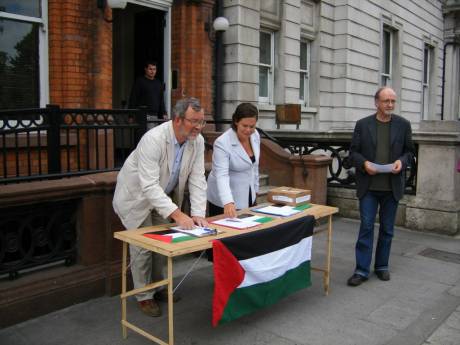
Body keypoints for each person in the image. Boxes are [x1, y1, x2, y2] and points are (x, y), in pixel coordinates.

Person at [113, 97, 208, 316]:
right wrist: (177, 214)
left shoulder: (197, 141)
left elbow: (197, 178)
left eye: (201, 122)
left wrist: (198, 214)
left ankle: (158, 288)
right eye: (194, 121)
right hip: (136, 198)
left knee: (161, 246)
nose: (198, 127)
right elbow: (148, 185)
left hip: (161, 198)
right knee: (143, 248)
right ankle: (144, 296)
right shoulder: (153, 139)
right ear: (177, 119)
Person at [347, 87, 415, 287]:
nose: (390, 105)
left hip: (391, 187)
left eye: (393, 101)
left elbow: (409, 153)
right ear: (376, 102)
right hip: (369, 187)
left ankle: (382, 266)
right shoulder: (362, 125)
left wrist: (402, 163)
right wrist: (364, 164)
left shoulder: (403, 125)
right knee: (366, 227)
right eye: (386, 101)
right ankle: (361, 270)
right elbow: (353, 154)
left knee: (387, 229)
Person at [207, 103, 260, 218]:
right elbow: (221, 175)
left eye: (252, 126)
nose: (248, 130)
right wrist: (228, 202)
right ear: (236, 121)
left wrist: (256, 187)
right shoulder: (222, 143)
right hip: (224, 198)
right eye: (244, 125)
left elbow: (254, 165)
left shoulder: (255, 135)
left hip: (248, 193)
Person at [128, 60, 167, 124]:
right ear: (145, 69)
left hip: (156, 116)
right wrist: (130, 116)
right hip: (143, 115)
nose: (152, 71)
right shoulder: (139, 82)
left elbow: (161, 100)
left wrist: (164, 113)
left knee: (154, 134)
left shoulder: (158, 83)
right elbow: (133, 98)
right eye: (150, 69)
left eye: (154, 69)